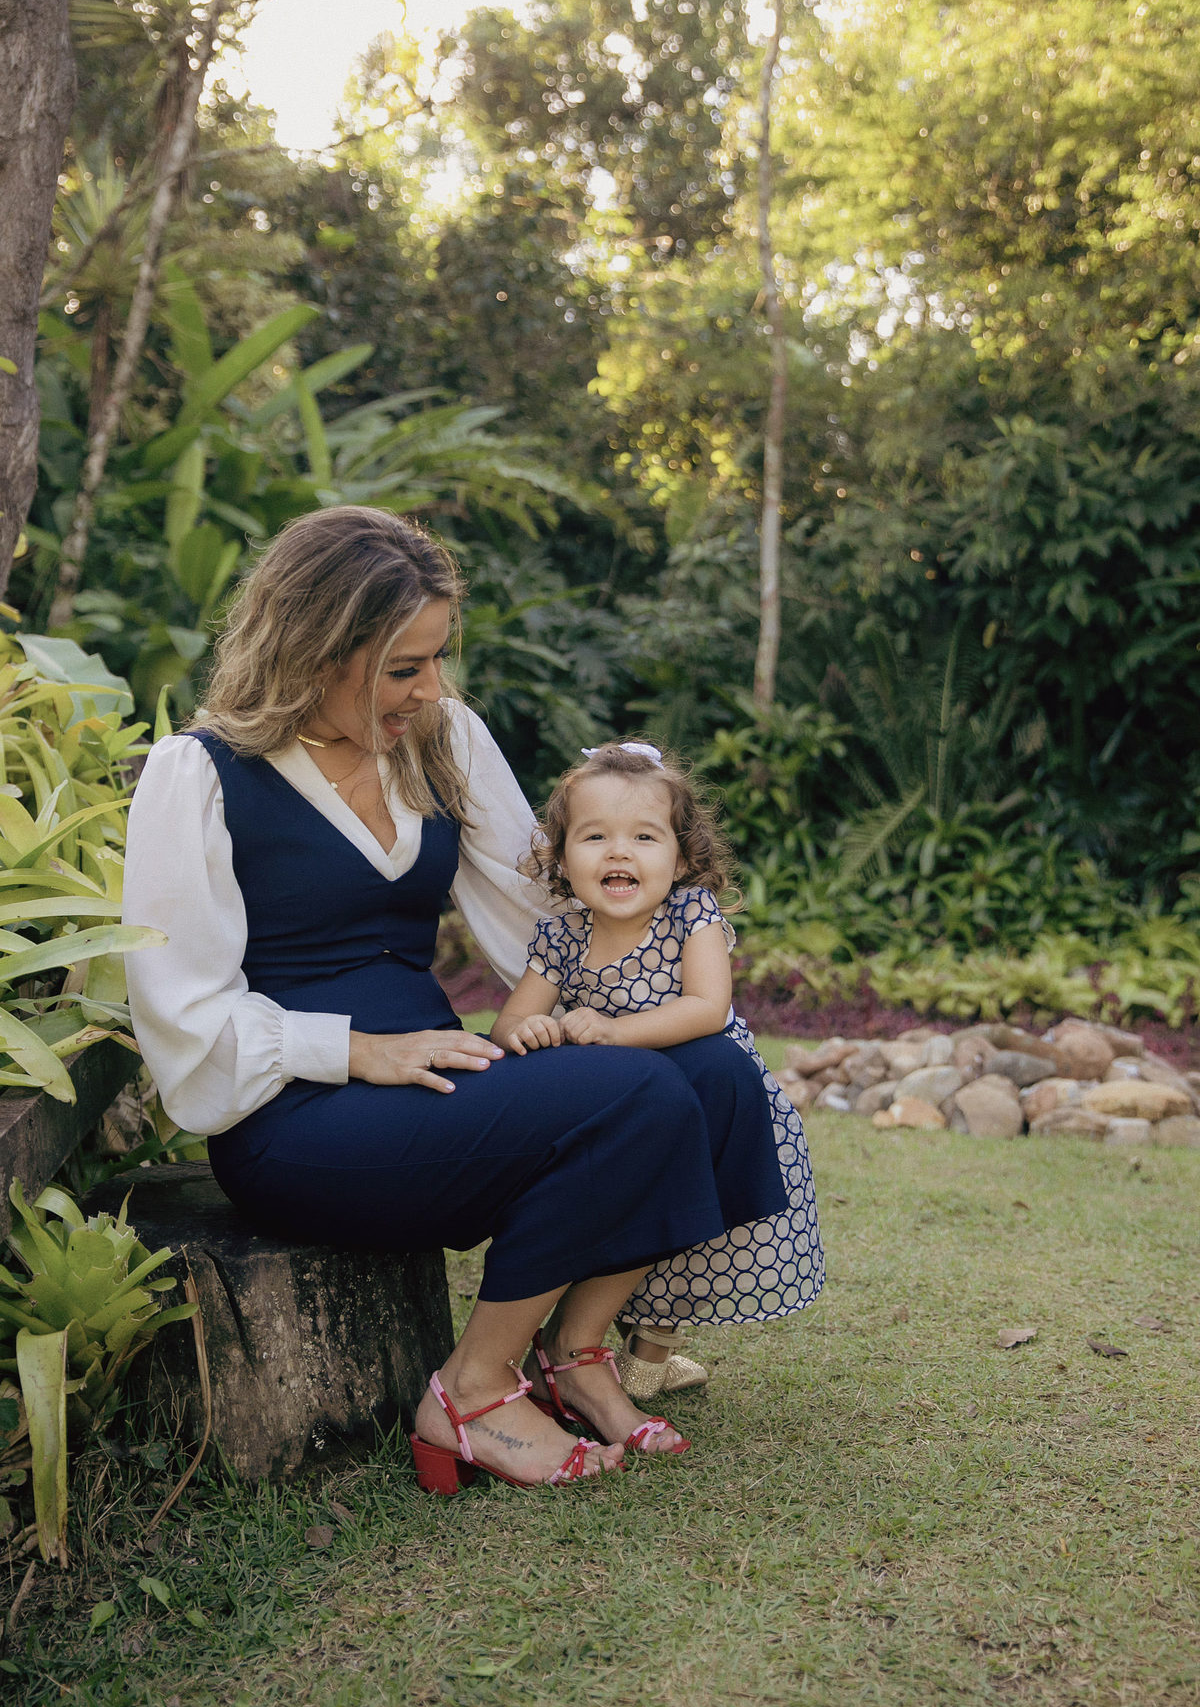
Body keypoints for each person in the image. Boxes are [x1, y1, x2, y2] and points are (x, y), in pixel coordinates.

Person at [122, 506, 788, 1494]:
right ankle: (472, 1393)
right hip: (293, 1120)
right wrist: (358, 1050)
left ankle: (574, 1351)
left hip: (435, 1084)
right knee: (637, 1098)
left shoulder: (440, 741)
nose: (430, 688)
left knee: (713, 1070)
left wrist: (650, 1001)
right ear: (316, 647)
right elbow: (183, 1018)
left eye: (435, 661)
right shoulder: (203, 775)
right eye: (404, 668)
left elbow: (542, 923)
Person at [490, 741, 824, 1410]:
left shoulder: (689, 916)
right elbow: (509, 1023)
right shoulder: (562, 938)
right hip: (629, 1113)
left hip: (708, 1108)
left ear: (680, 858)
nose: (619, 853)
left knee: (686, 1238)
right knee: (619, 1218)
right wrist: (527, 1029)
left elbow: (706, 1008)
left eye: (644, 836)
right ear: (560, 857)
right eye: (595, 837)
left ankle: (649, 1357)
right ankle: (582, 1349)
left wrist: (613, 1031)